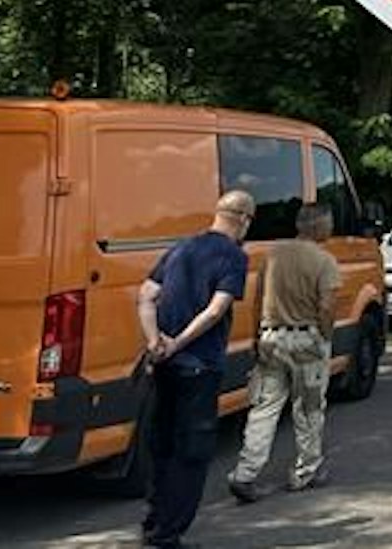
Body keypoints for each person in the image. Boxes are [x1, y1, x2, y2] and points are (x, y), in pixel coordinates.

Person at [136, 191, 254, 549]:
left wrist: (155, 340)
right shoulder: (233, 256)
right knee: (192, 452)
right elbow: (216, 310)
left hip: (164, 367)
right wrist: (180, 342)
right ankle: (168, 535)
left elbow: (145, 295)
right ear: (244, 219)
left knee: (161, 445)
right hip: (199, 366)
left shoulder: (181, 248)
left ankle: (153, 523)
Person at [228, 201, 342, 502]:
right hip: (307, 340)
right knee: (308, 408)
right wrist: (324, 337)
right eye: (328, 223)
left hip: (271, 338)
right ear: (317, 226)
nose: (331, 229)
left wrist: (256, 335)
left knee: (264, 408)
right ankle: (306, 471)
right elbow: (327, 306)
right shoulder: (325, 261)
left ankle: (245, 473)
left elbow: (257, 298)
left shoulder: (274, 254)